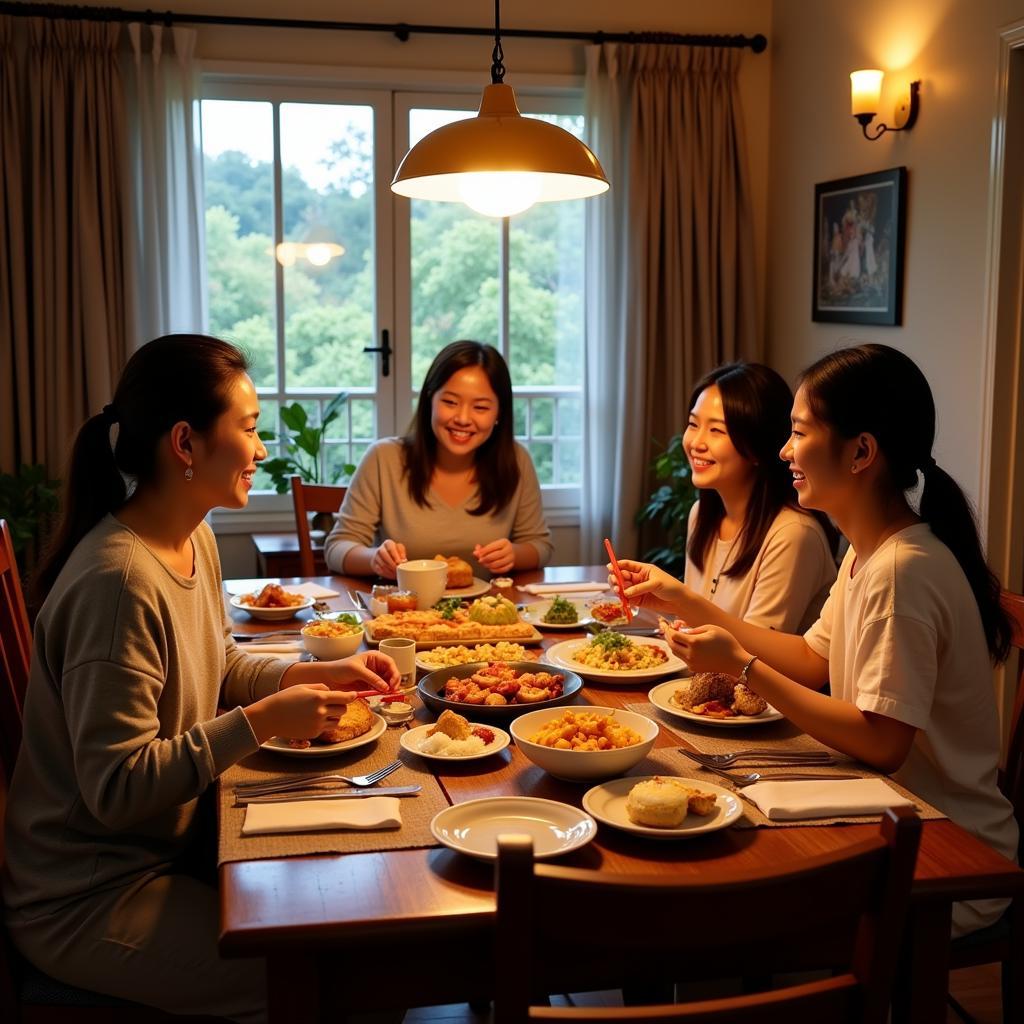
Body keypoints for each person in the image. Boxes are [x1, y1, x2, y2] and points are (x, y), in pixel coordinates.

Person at [3, 335, 400, 1022]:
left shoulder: (194, 536)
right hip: (90, 895)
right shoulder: (119, 585)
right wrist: (261, 724)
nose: (262, 449)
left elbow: (219, 663)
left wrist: (313, 671)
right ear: (185, 444)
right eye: (248, 429)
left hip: (169, 848)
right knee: (337, 979)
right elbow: (116, 789)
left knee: (358, 930)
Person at [619, 344, 1018, 936]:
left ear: (861, 452)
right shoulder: (869, 551)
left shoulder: (902, 571)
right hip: (876, 804)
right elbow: (810, 659)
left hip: (940, 843)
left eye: (799, 433)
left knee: (711, 897)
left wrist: (745, 669)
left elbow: (883, 743)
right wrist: (687, 600)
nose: (785, 452)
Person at [325, 340, 553, 579]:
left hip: (485, 611)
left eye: (481, 407)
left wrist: (514, 555)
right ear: (430, 400)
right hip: (405, 612)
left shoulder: (516, 460)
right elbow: (338, 547)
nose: (463, 419)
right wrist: (375, 559)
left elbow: (540, 546)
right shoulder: (384, 458)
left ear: (499, 414)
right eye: (450, 402)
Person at [658, 362, 837, 633]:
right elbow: (698, 627)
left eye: (716, 430)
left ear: (757, 445)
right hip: (704, 674)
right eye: (693, 424)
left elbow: (756, 654)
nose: (696, 442)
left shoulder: (792, 535)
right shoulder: (702, 515)